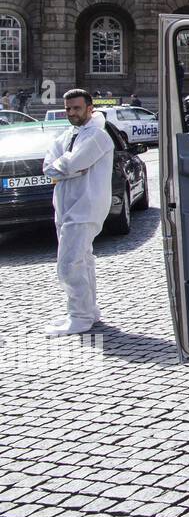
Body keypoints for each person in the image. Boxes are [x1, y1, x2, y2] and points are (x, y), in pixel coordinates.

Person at [41, 89, 116, 336]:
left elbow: (72, 164)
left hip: (86, 205)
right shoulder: (68, 135)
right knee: (83, 259)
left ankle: (79, 316)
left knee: (68, 264)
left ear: (90, 107)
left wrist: (65, 168)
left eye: (76, 108)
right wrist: (65, 169)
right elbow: (49, 167)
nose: (72, 113)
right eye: (68, 109)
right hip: (65, 206)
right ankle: (89, 311)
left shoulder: (97, 135)